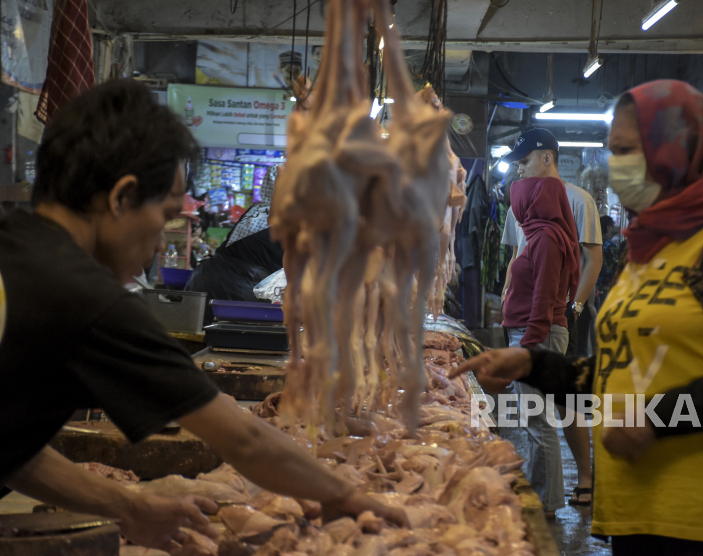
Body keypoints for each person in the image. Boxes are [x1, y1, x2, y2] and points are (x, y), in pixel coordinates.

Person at [0, 80, 406, 552]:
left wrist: (127, 506)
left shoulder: (16, 245)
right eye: (167, 214)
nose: (160, 241)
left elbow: (11, 447)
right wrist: (345, 494)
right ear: (122, 198)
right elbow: (245, 442)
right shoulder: (85, 298)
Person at [453, 79, 703, 555]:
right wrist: (534, 366)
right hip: (633, 515)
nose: (617, 164)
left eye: (629, 150)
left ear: (678, 148)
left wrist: (655, 421)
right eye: (614, 151)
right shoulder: (647, 248)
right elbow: (622, 374)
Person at [500, 128, 599, 508]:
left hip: (543, 328)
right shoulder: (537, 227)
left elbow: (581, 267)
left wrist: (565, 314)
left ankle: (548, 499)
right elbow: (518, 265)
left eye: (524, 163)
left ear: (546, 157)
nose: (519, 174)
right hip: (535, 326)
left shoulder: (555, 225)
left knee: (547, 417)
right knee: (536, 416)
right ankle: (543, 493)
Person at [186, 165, 284, 325]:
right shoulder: (285, 221)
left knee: (200, 343)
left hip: (202, 281)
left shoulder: (256, 211)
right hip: (235, 295)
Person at [596, 215, 621, 307]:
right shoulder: (611, 246)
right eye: (613, 224)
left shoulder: (596, 243)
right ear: (609, 227)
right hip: (607, 287)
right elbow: (617, 266)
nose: (616, 227)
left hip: (595, 288)